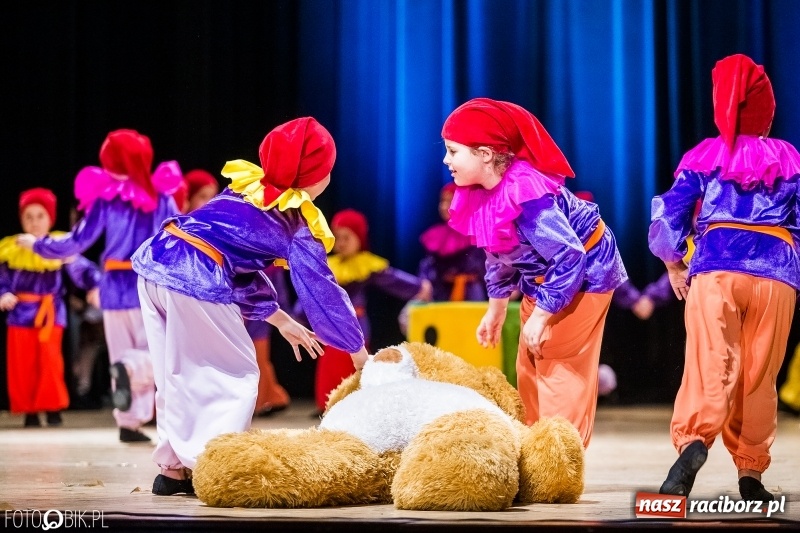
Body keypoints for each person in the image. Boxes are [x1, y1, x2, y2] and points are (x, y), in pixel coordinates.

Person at [130, 117, 369, 496]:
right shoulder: (295, 222)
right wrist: (357, 352)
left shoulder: (245, 189)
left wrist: (280, 318)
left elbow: (233, 260)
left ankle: (172, 470)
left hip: (157, 259)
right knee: (233, 373)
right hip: (196, 275)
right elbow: (322, 292)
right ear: (315, 176)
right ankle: (216, 467)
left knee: (173, 373)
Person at [649, 54, 800, 502]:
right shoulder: (791, 157)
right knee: (759, 375)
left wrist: (673, 262)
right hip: (775, 274)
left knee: (709, 364)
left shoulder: (706, 154)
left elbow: (669, 211)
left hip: (717, 267)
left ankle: (693, 445)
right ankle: (751, 476)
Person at [441, 97, 627, 448]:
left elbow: (569, 256)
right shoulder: (481, 193)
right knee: (528, 364)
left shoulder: (528, 198)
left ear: (485, 154)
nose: (446, 160)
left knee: (558, 363)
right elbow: (499, 254)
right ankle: (534, 450)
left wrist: (541, 315)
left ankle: (559, 455)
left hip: (585, 272)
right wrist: (496, 309)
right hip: (543, 277)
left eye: (453, 151)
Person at [17, 129, 183, 443]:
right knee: (153, 354)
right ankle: (130, 373)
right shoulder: (162, 198)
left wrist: (40, 245)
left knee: (121, 351)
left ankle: (128, 422)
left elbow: (77, 240)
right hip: (146, 284)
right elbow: (179, 238)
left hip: (112, 287)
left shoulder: (107, 200)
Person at [300, 208, 432, 414]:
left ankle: (352, 403)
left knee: (351, 364)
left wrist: (418, 287)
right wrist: (299, 314)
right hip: (331, 325)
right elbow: (313, 293)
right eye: (338, 237)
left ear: (359, 238)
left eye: (347, 238)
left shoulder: (365, 264)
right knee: (330, 363)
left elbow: (392, 279)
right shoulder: (330, 265)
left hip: (356, 324)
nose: (341, 243)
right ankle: (327, 403)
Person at [182, 168, 291, 416]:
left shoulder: (232, 228)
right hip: (209, 305)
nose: (208, 202)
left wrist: (282, 310)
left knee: (253, 355)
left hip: (248, 303)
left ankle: (260, 400)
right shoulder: (185, 229)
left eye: (211, 196)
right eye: (202, 196)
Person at [0, 188, 101, 427]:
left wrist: (94, 285)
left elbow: (84, 269)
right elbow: (2, 278)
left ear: (50, 219)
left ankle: (53, 407)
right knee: (23, 365)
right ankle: (30, 411)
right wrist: (3, 293)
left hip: (50, 314)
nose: (34, 222)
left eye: (40, 216)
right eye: (29, 217)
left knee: (50, 363)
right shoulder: (12, 248)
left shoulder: (58, 245)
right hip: (20, 315)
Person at [418, 182, 487, 302]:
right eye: (442, 201)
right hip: (441, 291)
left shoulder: (477, 233)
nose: (444, 206)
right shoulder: (436, 237)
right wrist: (424, 282)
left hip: (472, 292)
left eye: (450, 202)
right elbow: (428, 267)